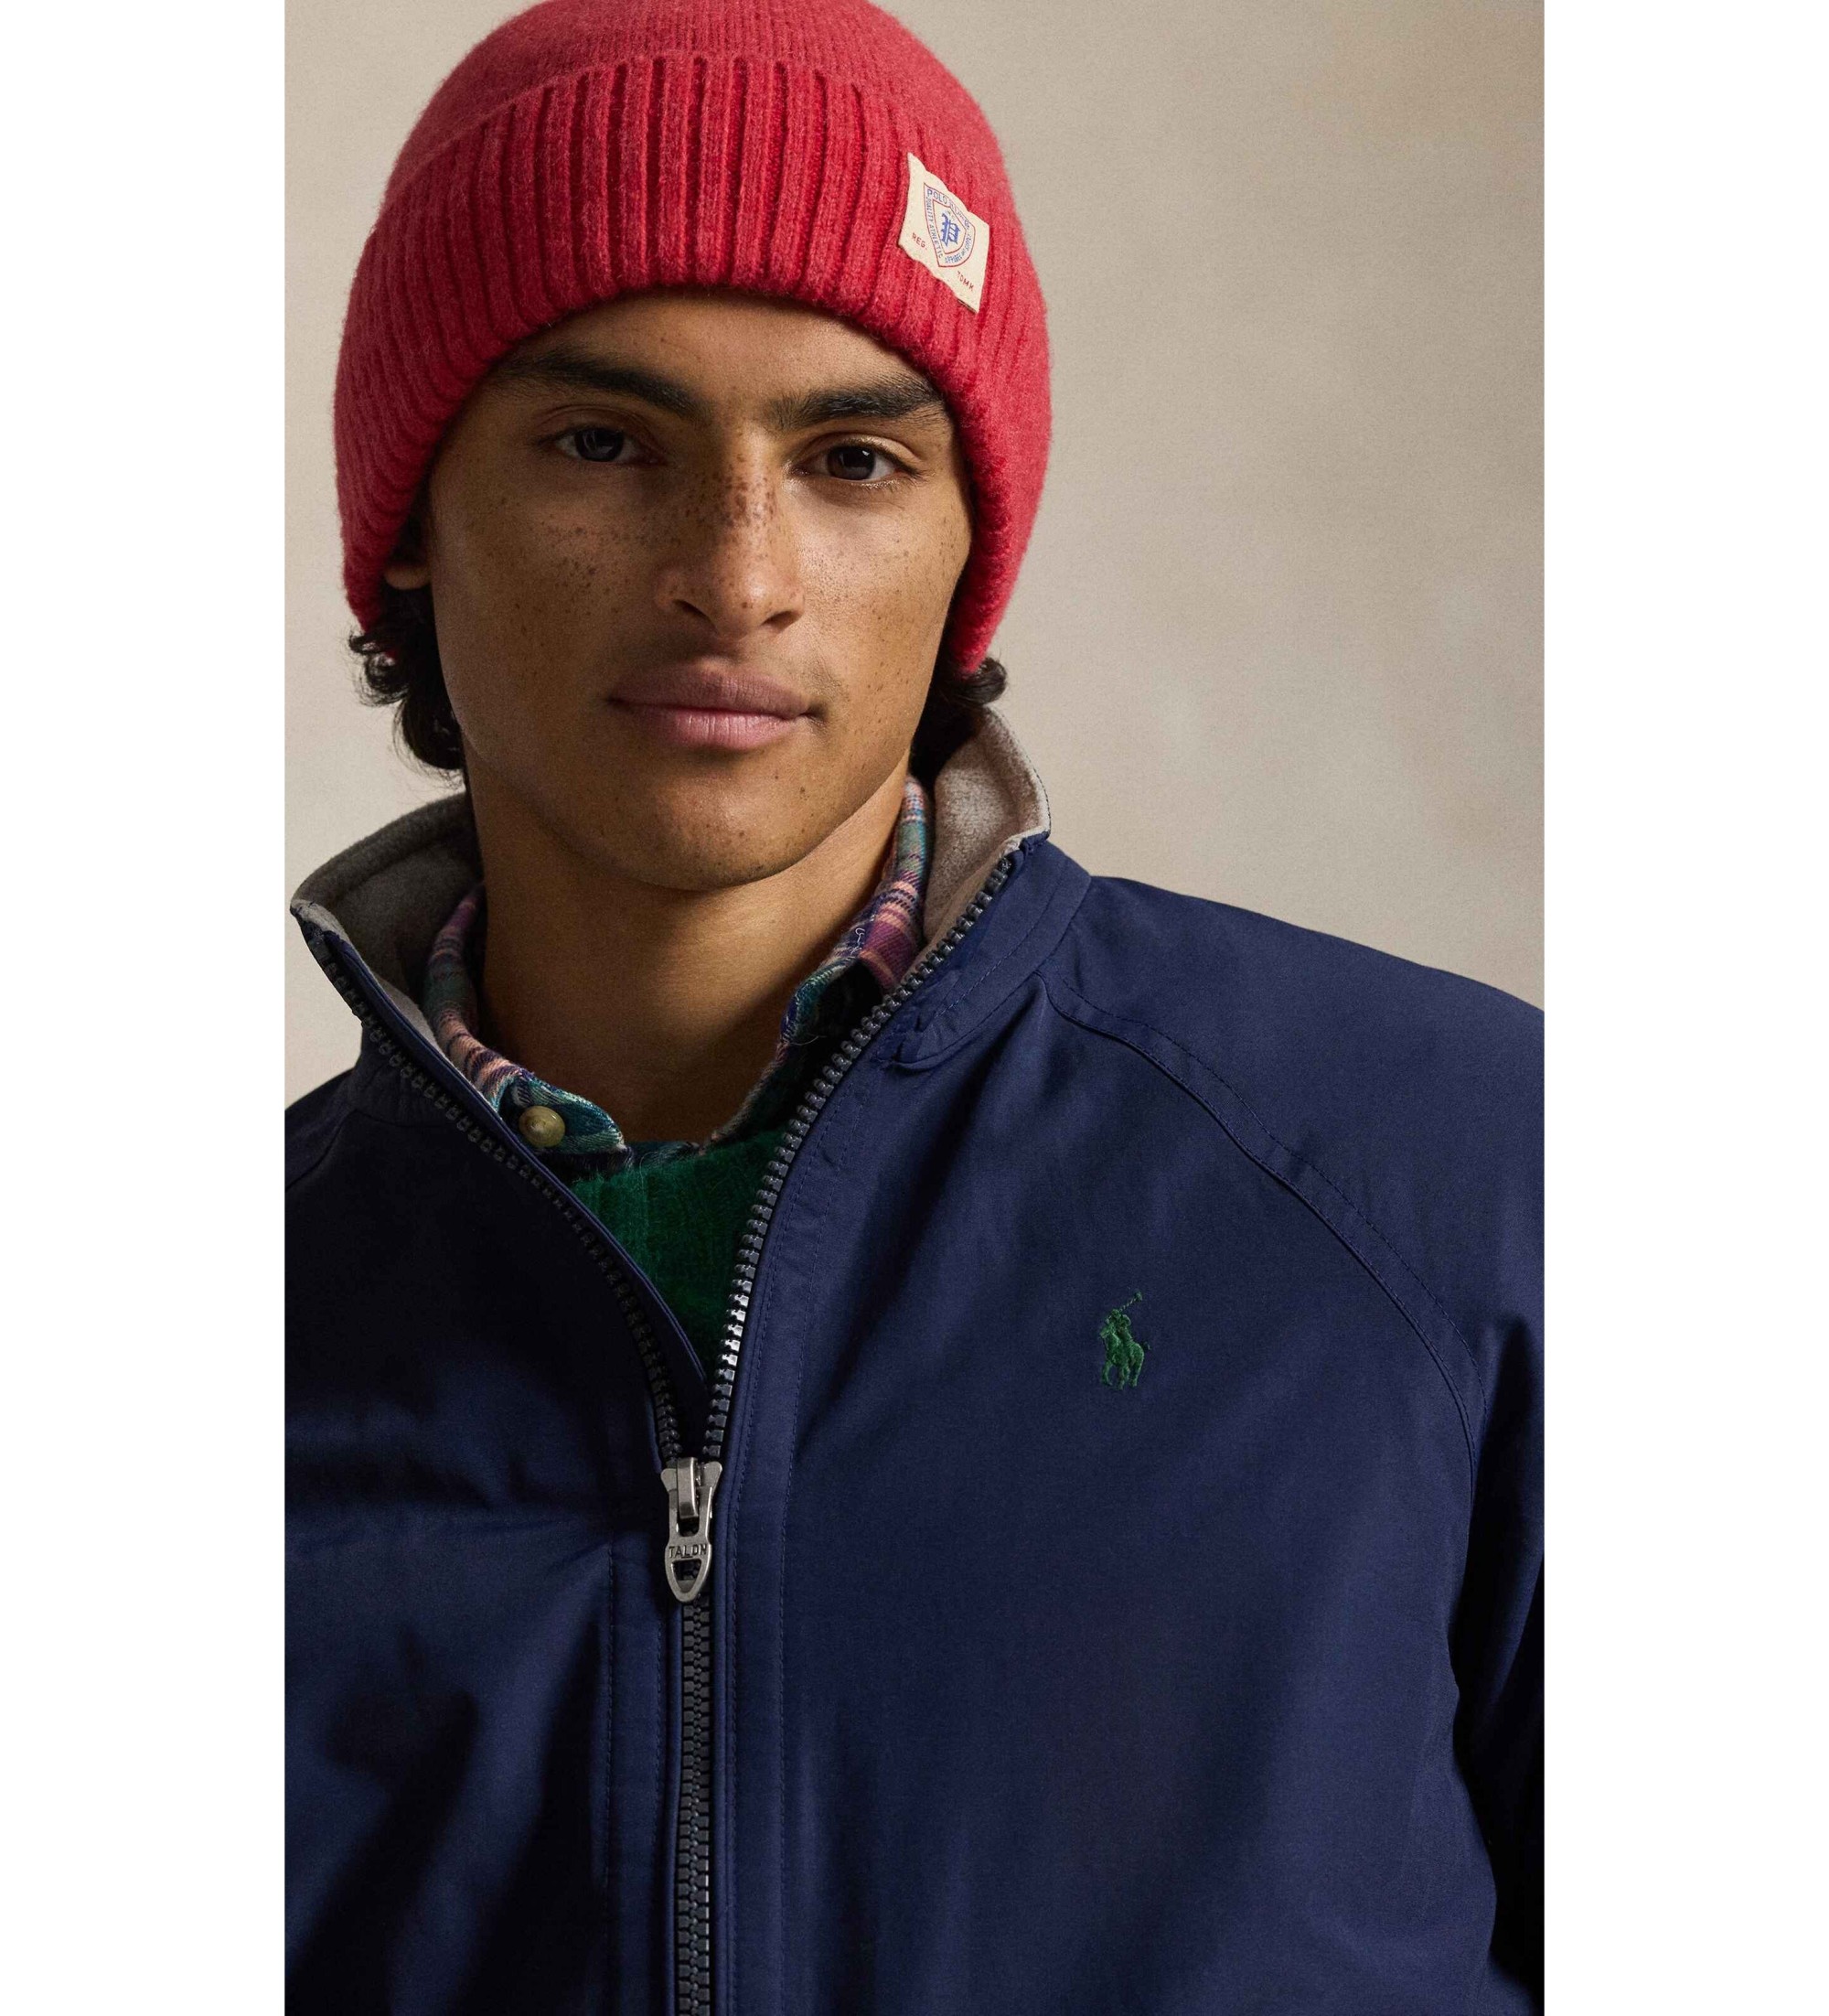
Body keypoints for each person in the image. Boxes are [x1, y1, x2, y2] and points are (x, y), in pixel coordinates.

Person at [286, 1, 1543, 2009]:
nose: (736, 576)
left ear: (970, 554)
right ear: (415, 526)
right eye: (601, 442)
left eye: (853, 459)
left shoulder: (1456, 1183)